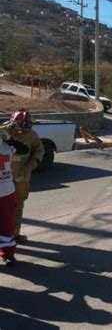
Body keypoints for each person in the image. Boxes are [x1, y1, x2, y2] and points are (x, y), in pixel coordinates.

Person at [3, 109, 45, 244]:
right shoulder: (3, 132)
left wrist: (34, 162)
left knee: (18, 206)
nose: (22, 131)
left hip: (21, 177)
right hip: (3, 176)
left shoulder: (32, 135)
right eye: (20, 126)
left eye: (26, 127)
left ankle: (15, 234)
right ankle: (3, 234)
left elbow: (40, 150)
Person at [0, 128, 29, 266]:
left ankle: (8, 254)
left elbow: (24, 149)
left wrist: (9, 139)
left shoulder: (7, 146)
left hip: (6, 193)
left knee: (7, 226)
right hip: (6, 192)